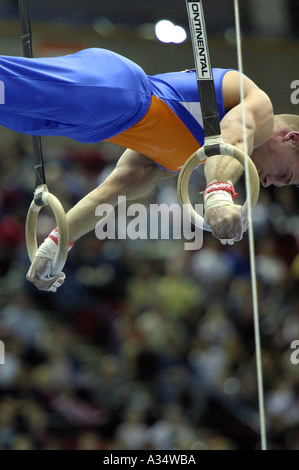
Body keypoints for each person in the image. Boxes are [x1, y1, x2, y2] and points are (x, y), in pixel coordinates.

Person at [0, 48, 298, 292]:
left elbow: (112, 191)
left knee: (8, 106)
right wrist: (218, 194)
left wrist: (54, 246)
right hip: (119, 88)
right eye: (284, 174)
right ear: (291, 139)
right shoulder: (260, 109)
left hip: (103, 123)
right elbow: (232, 135)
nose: (269, 182)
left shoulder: (181, 158)